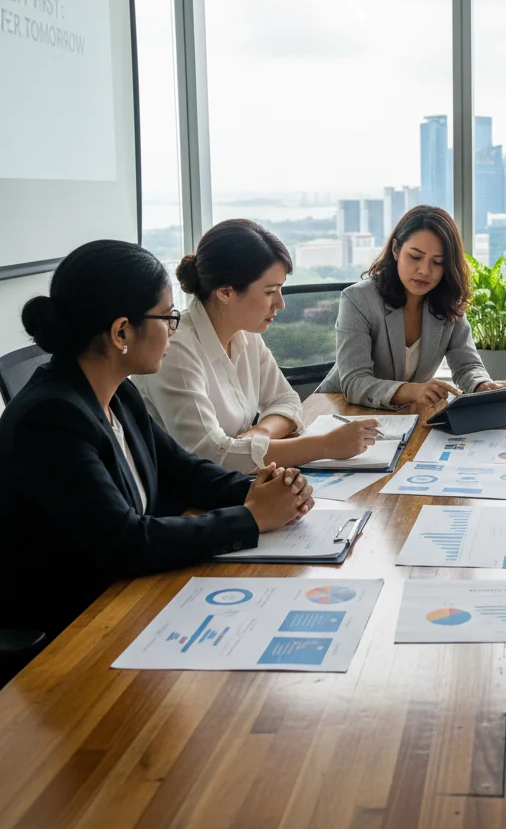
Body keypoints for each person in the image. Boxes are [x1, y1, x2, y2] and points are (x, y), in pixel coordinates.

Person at [0, 240, 315, 640]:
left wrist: (268, 486)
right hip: (74, 627)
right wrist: (253, 517)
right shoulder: (50, 419)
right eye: (167, 317)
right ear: (121, 332)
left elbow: (183, 471)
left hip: (126, 599)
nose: (172, 329)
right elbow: (126, 542)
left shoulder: (119, 393)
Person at [136, 219, 378, 472]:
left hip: (233, 482)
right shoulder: (176, 348)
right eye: (270, 291)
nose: (281, 303)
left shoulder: (246, 334)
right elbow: (210, 453)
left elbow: (286, 400)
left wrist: (261, 432)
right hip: (183, 496)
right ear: (226, 293)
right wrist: (326, 446)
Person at [321, 205, 506, 410]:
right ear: (396, 250)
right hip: (342, 411)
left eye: (437, 262)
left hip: (405, 416)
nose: (424, 271)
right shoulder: (358, 299)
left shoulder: (447, 302)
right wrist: (412, 390)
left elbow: (467, 365)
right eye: (415, 257)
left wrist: (482, 385)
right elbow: (355, 381)